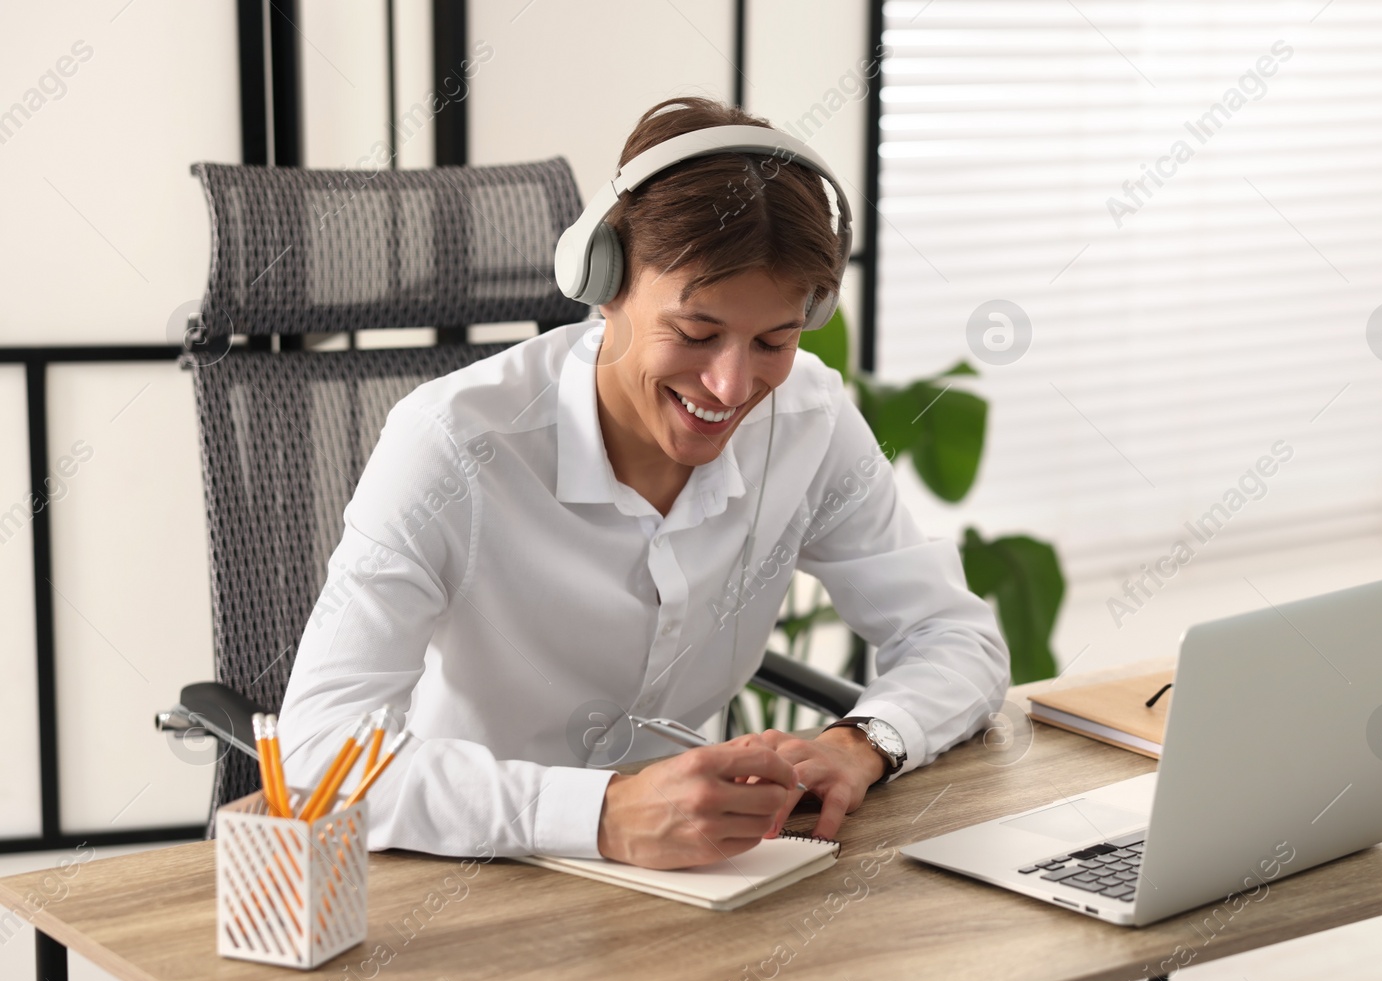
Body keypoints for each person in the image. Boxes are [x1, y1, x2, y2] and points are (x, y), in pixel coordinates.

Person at [278, 93, 1007, 875]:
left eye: (774, 339)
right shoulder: (451, 444)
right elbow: (318, 754)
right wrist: (605, 812)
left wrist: (864, 743)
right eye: (696, 333)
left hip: (694, 879)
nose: (731, 385)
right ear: (605, 281)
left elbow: (955, 637)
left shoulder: (809, 420)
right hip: (464, 873)